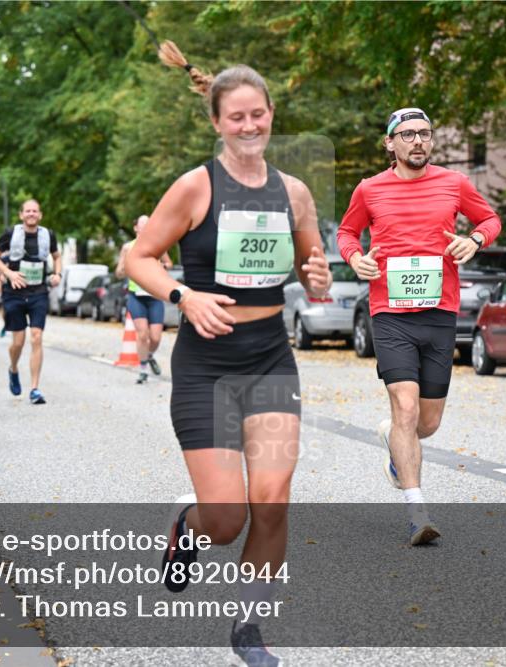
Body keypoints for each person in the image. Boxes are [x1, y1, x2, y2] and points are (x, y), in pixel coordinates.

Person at [126, 42, 331, 666]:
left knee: (272, 500)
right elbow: (135, 259)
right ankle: (188, 529)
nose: (249, 126)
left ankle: (249, 627)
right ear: (216, 122)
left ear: (272, 114)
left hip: (269, 356)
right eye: (235, 117)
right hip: (207, 365)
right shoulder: (194, 187)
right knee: (225, 520)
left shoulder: (294, 191)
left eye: (258, 115)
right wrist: (183, 296)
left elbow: (310, 264)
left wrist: (318, 277)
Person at [337, 107, 501, 546]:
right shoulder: (370, 189)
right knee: (405, 407)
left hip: (439, 313)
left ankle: (393, 440)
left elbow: (489, 220)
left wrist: (475, 239)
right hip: (389, 313)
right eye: (407, 134)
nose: (417, 141)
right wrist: (356, 258)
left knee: (425, 423)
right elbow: (347, 233)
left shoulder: (454, 184)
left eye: (424, 134)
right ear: (390, 143)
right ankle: (417, 512)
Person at [0, 199, 60, 405]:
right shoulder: (11, 233)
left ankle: (35, 389)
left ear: (40, 215)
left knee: (36, 337)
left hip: (39, 291)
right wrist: (8, 273)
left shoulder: (48, 235)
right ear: (21, 215)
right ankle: (13, 368)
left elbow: (57, 256)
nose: (31, 214)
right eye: (27, 211)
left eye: (35, 211)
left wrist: (57, 274)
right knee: (18, 342)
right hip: (14, 293)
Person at [116, 214, 173, 384]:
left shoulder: (158, 245)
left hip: (154, 296)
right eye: (142, 225)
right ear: (136, 228)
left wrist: (162, 266)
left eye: (149, 225)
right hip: (136, 296)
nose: (146, 228)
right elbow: (118, 272)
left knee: (155, 337)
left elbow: (169, 263)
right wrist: (126, 267)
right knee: (142, 334)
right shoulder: (128, 247)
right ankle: (143, 370)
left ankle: (148, 356)